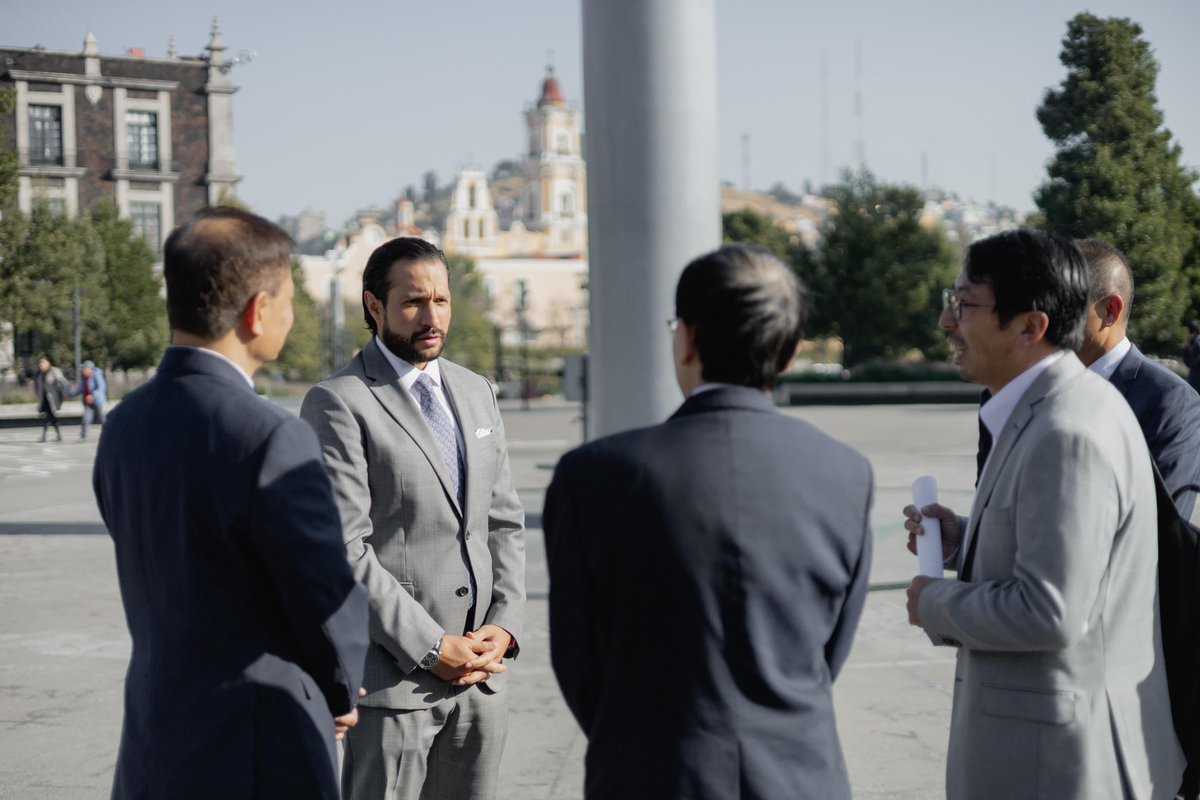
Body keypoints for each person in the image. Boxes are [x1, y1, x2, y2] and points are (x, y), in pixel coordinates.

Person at [543, 245, 874, 799]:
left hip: (652, 775)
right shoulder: (846, 472)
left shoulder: (593, 476)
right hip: (801, 777)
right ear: (789, 351)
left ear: (687, 338)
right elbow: (826, 654)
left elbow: (578, 662)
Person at [92, 207, 369, 800]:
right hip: (258, 743)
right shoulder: (270, 434)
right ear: (258, 311)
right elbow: (325, 595)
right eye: (290, 299)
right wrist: (341, 690)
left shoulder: (124, 424)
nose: (292, 316)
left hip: (156, 734)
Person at [904, 229, 1183, 799]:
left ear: (1031, 327)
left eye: (965, 305)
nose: (947, 323)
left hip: (1058, 765)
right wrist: (965, 542)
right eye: (948, 301)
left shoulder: (1066, 431)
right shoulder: (1048, 409)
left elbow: (1050, 610)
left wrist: (934, 602)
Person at [301, 236, 525, 800]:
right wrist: (431, 646)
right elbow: (344, 548)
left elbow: (503, 521)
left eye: (441, 301)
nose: (432, 317)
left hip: (482, 679)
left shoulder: (477, 392)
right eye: (413, 302)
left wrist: (505, 625)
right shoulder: (339, 401)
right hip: (393, 685)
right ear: (374, 307)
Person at [978, 239, 1200, 518]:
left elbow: (1162, 530)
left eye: (1061, 306)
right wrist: (961, 537)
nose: (1044, 319)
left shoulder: (1170, 401)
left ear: (1110, 310)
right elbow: (999, 516)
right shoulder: (1023, 389)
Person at [33, 356, 69, 442]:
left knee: (48, 416)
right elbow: (38, 386)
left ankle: (44, 436)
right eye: (40, 363)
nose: (41, 364)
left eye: (43, 362)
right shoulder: (40, 374)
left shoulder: (54, 371)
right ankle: (58, 435)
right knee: (51, 417)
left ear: (48, 363)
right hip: (44, 399)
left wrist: (65, 392)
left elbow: (63, 381)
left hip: (53, 398)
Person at [71, 359, 108, 439]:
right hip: (88, 402)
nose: (83, 370)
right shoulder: (84, 378)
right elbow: (80, 389)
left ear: (90, 369)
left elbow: (101, 387)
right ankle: (83, 434)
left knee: (102, 417)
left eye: (85, 368)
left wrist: (93, 396)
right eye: (83, 369)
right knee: (86, 417)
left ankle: (108, 431)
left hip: (97, 400)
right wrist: (71, 394)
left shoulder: (96, 375)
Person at [1183, 320, 1200, 395]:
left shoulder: (1197, 344)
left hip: (1196, 382)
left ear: (1193, 332)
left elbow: (1190, 363)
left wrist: (1185, 349)